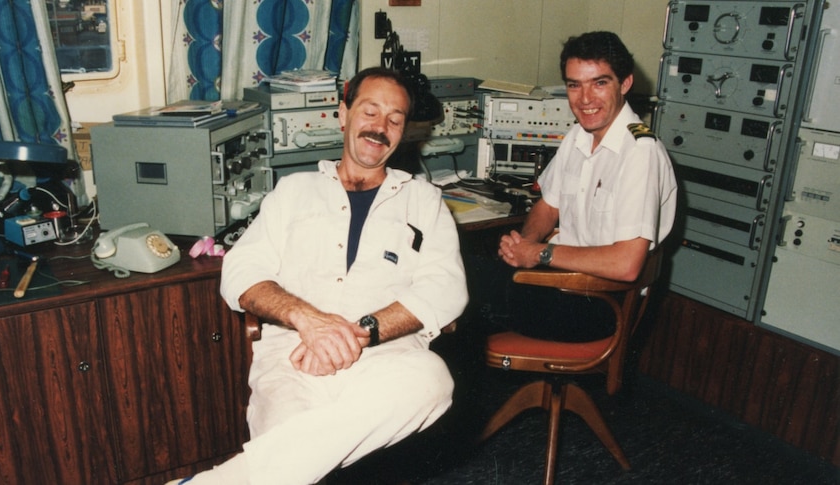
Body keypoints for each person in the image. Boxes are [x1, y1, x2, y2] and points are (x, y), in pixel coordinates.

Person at [169, 67, 468, 484]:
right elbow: (240, 270)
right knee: (292, 445)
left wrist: (359, 333)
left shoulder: (425, 201)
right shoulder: (293, 191)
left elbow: (445, 289)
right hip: (295, 360)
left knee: (432, 379)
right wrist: (309, 322)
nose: (380, 127)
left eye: (395, 119)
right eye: (370, 111)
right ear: (343, 114)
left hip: (387, 360)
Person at [492, 31, 678, 341]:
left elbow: (626, 265)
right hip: (563, 280)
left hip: (601, 302)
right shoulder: (578, 136)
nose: (585, 99)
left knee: (460, 293)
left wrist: (539, 254)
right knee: (457, 277)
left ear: (626, 83)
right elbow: (548, 205)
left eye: (600, 83)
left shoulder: (640, 153)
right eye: (574, 85)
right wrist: (522, 245)